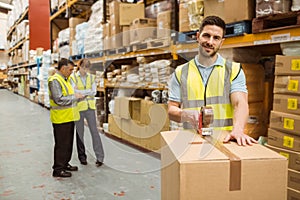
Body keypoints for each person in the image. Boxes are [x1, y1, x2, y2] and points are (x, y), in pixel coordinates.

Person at [168, 15, 257, 146]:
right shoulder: (181, 72)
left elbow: (240, 103)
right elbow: (171, 110)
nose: (210, 41)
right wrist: (186, 114)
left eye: (216, 38)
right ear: (198, 36)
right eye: (206, 35)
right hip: (192, 142)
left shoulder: (233, 70)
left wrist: (238, 130)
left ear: (222, 42)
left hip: (224, 141)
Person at [48, 58, 85, 178]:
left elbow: (67, 95)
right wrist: (76, 98)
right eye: (70, 69)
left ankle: (65, 164)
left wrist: (77, 95)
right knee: (61, 144)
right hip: (60, 118)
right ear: (63, 68)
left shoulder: (66, 79)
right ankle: (58, 169)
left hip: (69, 117)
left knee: (68, 143)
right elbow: (59, 99)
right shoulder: (55, 80)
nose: (71, 72)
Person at [70, 58, 104, 167]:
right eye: (83, 67)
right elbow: (73, 92)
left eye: (87, 68)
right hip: (79, 108)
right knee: (80, 133)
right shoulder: (73, 77)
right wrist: (86, 92)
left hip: (90, 108)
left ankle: (100, 157)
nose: (85, 70)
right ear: (79, 66)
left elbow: (94, 92)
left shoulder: (91, 77)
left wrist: (82, 93)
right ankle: (82, 157)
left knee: (94, 132)